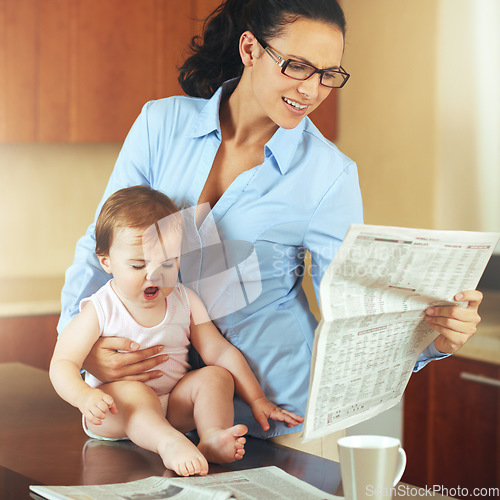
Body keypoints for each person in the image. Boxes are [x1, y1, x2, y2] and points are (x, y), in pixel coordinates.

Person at [58, 0, 483, 458]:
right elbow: (98, 245)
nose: (312, 89)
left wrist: (432, 340)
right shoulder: (160, 125)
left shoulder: (327, 175)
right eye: (297, 66)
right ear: (250, 49)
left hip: (280, 417)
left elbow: (354, 307)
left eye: (328, 73)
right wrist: (79, 348)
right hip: (154, 405)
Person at [50, 186, 303, 477]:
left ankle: (211, 437)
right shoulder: (100, 308)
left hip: (172, 408)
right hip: (115, 413)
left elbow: (219, 352)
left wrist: (257, 398)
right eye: (138, 264)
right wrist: (84, 397)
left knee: (216, 376)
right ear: (106, 261)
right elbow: (62, 363)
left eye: (168, 263)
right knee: (136, 392)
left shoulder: (185, 300)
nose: (154, 274)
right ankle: (168, 443)